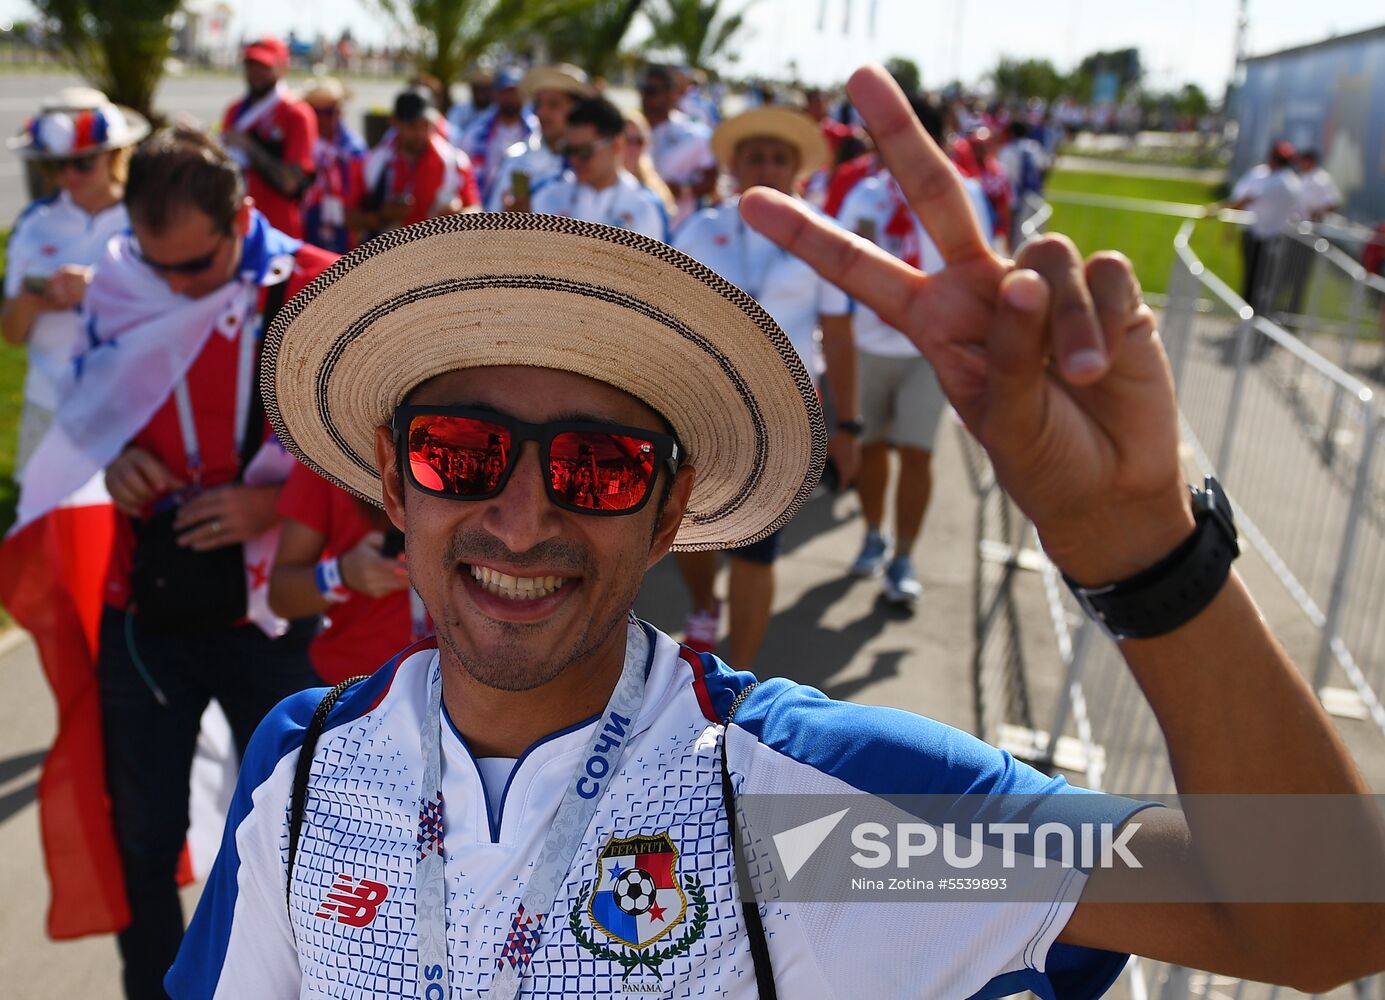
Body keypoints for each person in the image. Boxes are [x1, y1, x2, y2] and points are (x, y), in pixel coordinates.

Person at [167, 65, 1385, 1000]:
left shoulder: (800, 816)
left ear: (670, 512)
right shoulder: (304, 764)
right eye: (461, 452)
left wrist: (1146, 556)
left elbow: (1323, 916)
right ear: (395, 479)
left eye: (598, 467)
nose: (522, 516)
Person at [76, 126, 333, 998]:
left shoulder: (315, 286)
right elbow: (83, 409)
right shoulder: (118, 283)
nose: (176, 286)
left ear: (244, 218)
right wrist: (112, 459)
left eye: (195, 266)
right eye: (159, 267)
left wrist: (274, 506)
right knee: (143, 838)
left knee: (296, 835)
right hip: (146, 610)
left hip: (276, 615)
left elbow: (372, 448)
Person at [671, 106, 858, 663]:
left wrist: (849, 425)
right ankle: (703, 605)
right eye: (755, 156)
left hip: (785, 411)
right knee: (687, 525)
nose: (766, 167)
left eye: (779, 158)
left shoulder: (823, 239)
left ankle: (739, 677)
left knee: (758, 546)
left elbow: (839, 334)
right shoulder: (700, 229)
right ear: (734, 165)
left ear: (798, 169)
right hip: (702, 403)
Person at [835, 96, 991, 606]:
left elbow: (978, 266)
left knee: (917, 452)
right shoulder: (866, 194)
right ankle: (873, 534)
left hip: (928, 347)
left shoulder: (963, 194)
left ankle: (903, 556)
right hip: (868, 343)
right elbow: (837, 264)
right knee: (872, 448)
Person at [2, 87, 148, 479]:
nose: (69, 175)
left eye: (83, 163)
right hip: (47, 402)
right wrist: (30, 300)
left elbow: (172, 308)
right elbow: (12, 334)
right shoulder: (33, 223)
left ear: (115, 155)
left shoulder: (146, 219)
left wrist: (95, 289)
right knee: (43, 515)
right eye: (58, 165)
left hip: (124, 406)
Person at [269, 462, 421, 685]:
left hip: (458, 685)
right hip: (352, 685)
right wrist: (341, 575)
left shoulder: (466, 454)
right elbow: (281, 595)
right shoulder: (324, 457)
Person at [529, 96, 669, 241]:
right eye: (570, 150)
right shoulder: (546, 195)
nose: (574, 160)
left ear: (617, 145)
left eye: (585, 151)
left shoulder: (645, 208)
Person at [220, 36, 317, 238]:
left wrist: (248, 146)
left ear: (282, 68)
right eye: (251, 65)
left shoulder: (296, 114)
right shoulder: (235, 111)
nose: (255, 72)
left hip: (278, 231)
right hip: (235, 229)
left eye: (264, 66)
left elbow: (291, 183)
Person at [354, 89, 479, 240]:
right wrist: (382, 217)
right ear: (394, 122)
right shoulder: (373, 163)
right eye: (412, 125)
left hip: (438, 251)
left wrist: (458, 217)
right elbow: (350, 218)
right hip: (389, 252)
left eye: (426, 125)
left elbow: (475, 210)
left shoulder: (455, 162)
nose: (420, 133)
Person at [486, 63, 594, 212]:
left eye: (553, 104)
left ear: (577, 110)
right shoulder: (516, 160)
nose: (542, 113)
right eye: (538, 104)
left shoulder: (595, 161)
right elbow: (491, 217)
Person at [1228, 141, 1302, 315]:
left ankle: (1251, 314)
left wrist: (1222, 210)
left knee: (1255, 279)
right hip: (1275, 236)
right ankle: (1258, 313)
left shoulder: (1276, 182)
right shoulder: (1293, 182)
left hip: (1261, 236)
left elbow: (1244, 200)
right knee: (1267, 279)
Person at [640, 64, 718, 226]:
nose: (646, 98)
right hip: (640, 226)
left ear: (672, 94)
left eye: (652, 91)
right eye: (643, 90)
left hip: (678, 228)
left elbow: (712, 178)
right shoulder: (632, 131)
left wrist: (683, 190)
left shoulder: (694, 134)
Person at [299, 76, 367, 254]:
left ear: (339, 111)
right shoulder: (299, 144)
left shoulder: (354, 150)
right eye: (316, 111)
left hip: (344, 237)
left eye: (329, 111)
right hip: (305, 231)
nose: (322, 118)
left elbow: (362, 198)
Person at [457, 66, 537, 205]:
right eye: (505, 92)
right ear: (496, 94)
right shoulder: (476, 132)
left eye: (514, 92)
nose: (510, 98)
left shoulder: (536, 131)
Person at [619, 107, 677, 218]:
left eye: (639, 141)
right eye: (628, 140)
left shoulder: (655, 186)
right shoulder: (604, 181)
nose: (633, 147)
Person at [445, 66, 496, 139]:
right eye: (477, 87)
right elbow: (451, 133)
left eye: (485, 88)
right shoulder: (459, 109)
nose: (481, 92)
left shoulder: (498, 112)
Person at [1296, 148, 1341, 221]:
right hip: (1300, 222)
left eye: (1302, 161)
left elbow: (1332, 203)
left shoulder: (1322, 178)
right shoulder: (1301, 176)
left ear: (1309, 161)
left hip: (1315, 223)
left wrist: (1316, 214)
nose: (1299, 164)